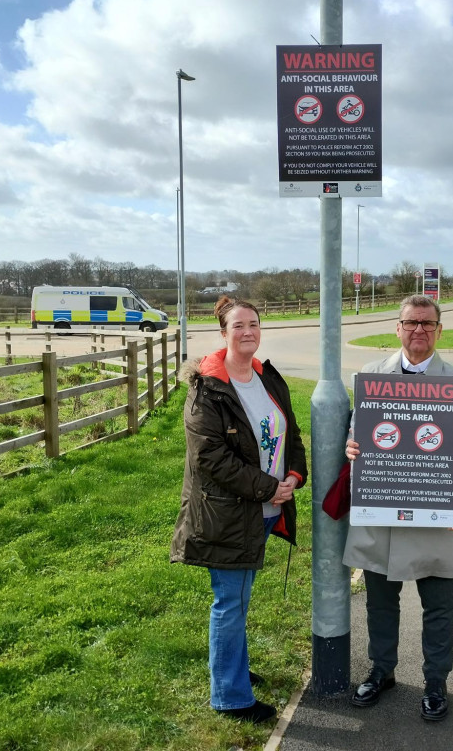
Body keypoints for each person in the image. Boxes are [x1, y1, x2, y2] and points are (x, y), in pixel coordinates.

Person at [344, 295, 453, 722]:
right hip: (382, 520)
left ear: (439, 330)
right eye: (411, 323)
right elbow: (359, 439)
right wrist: (352, 449)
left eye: (427, 324)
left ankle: (436, 682)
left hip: (438, 523)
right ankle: (382, 671)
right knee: (380, 606)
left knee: (439, 609)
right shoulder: (369, 377)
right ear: (398, 327)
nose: (418, 331)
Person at [170, 296, 307, 723]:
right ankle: (230, 696)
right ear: (223, 333)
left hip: (266, 509)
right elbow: (210, 458)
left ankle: (232, 669)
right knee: (229, 602)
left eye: (254, 324)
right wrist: (269, 487)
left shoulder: (268, 378)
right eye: (238, 326)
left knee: (240, 600)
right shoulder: (206, 389)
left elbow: (291, 434)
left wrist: (294, 478)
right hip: (228, 514)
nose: (248, 331)